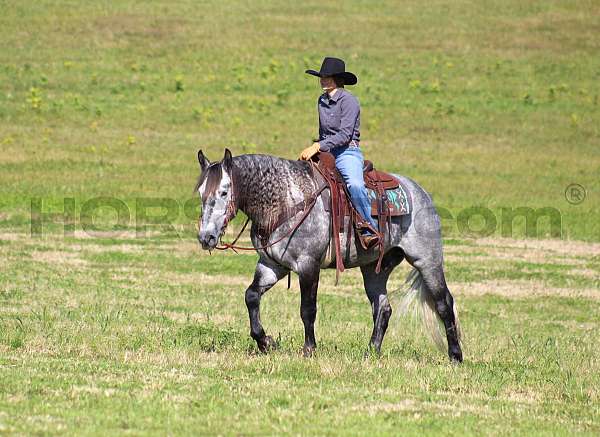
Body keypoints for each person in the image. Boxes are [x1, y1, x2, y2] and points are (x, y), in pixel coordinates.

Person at [299, 57, 380, 246]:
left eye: (327, 77)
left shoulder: (349, 101)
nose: (322, 80)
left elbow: (344, 135)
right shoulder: (321, 100)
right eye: (321, 76)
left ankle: (368, 226)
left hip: (347, 152)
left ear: (337, 79)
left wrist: (318, 146)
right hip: (327, 151)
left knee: (355, 185)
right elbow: (324, 133)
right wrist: (316, 149)